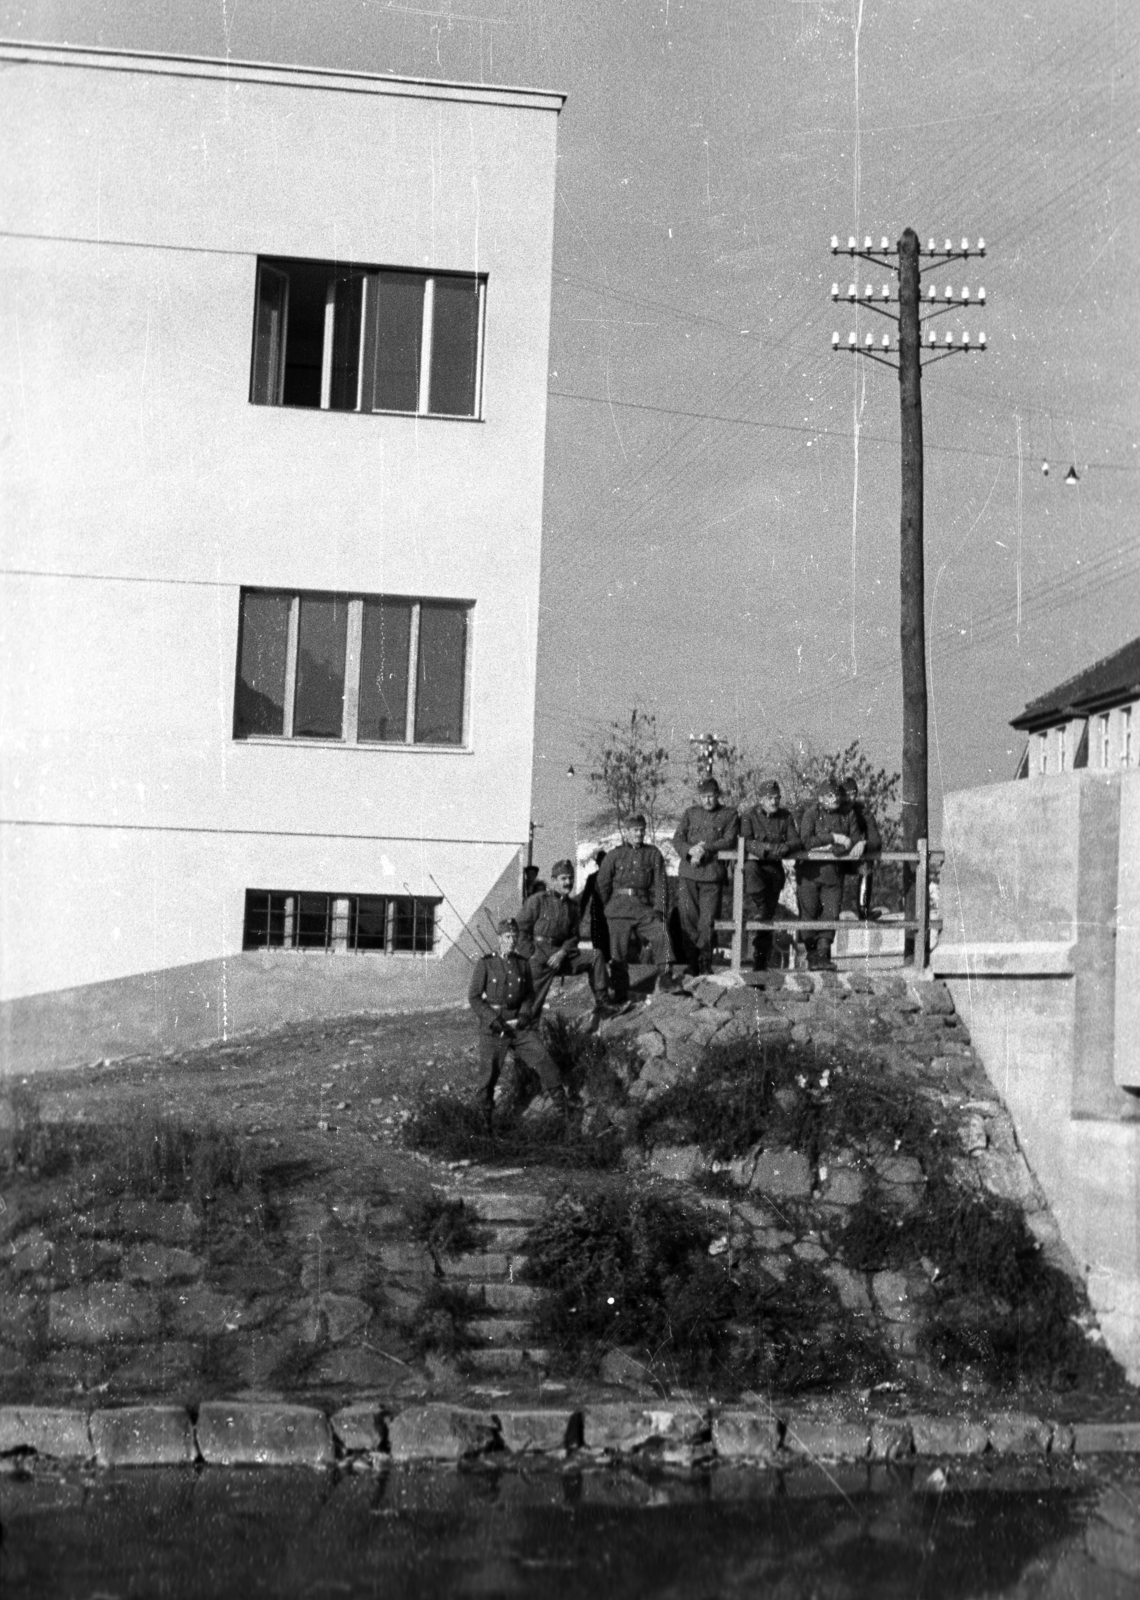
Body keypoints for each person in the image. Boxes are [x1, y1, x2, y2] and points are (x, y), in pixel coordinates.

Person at [467, 918, 567, 1130]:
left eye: (514, 937)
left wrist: (524, 1015)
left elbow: (529, 994)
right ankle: (483, 1127)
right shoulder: (486, 963)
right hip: (494, 1027)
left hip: (518, 1026)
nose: (511, 941)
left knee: (544, 1059)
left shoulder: (523, 963)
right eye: (507, 937)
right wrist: (493, 1021)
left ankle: (564, 1114)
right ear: (499, 939)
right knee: (488, 1076)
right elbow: (474, 997)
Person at [595, 814, 675, 999]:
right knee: (618, 952)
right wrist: (608, 908)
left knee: (660, 931)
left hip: (643, 907)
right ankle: (620, 989)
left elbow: (661, 884)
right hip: (619, 908)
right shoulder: (614, 855)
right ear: (627, 831)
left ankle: (666, 976)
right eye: (635, 830)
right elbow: (602, 885)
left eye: (641, 830)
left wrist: (659, 910)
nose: (638, 834)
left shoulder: (653, 854)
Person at [516, 859, 608, 1016]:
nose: (568, 882)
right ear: (553, 880)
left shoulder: (572, 907)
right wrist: (531, 955)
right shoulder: (538, 900)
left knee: (595, 956)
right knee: (529, 1010)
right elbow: (520, 929)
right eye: (563, 878)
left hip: (561, 957)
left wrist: (563, 952)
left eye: (571, 878)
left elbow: (574, 937)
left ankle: (603, 1003)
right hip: (538, 958)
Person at [795, 778, 866, 969]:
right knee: (808, 913)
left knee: (831, 912)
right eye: (829, 795)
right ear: (820, 798)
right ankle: (811, 955)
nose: (834, 798)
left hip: (833, 875)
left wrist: (860, 843)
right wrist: (833, 838)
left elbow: (855, 838)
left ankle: (823, 954)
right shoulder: (811, 814)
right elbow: (806, 841)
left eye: (836, 795)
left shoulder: (847, 815)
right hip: (809, 873)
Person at [671, 776, 738, 974]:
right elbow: (678, 838)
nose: (707, 801)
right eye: (704, 797)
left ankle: (705, 961)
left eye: (711, 796)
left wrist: (704, 849)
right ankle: (692, 961)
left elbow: (729, 840)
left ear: (718, 795)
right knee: (688, 918)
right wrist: (690, 851)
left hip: (711, 874)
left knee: (707, 920)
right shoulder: (691, 814)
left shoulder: (729, 814)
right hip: (689, 874)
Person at [738, 780, 800, 970]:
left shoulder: (785, 816)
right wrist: (764, 849)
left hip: (773, 872)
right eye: (770, 798)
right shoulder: (749, 816)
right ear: (760, 799)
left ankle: (760, 961)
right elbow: (745, 841)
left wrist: (785, 848)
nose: (774, 802)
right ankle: (760, 906)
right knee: (756, 910)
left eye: (777, 798)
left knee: (766, 919)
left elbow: (795, 841)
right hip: (755, 871)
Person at [839, 778, 881, 919]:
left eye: (853, 794)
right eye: (846, 794)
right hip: (833, 857)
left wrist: (864, 844)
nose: (850, 798)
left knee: (866, 865)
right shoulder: (831, 810)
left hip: (852, 857)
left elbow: (876, 841)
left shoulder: (862, 811)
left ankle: (863, 909)